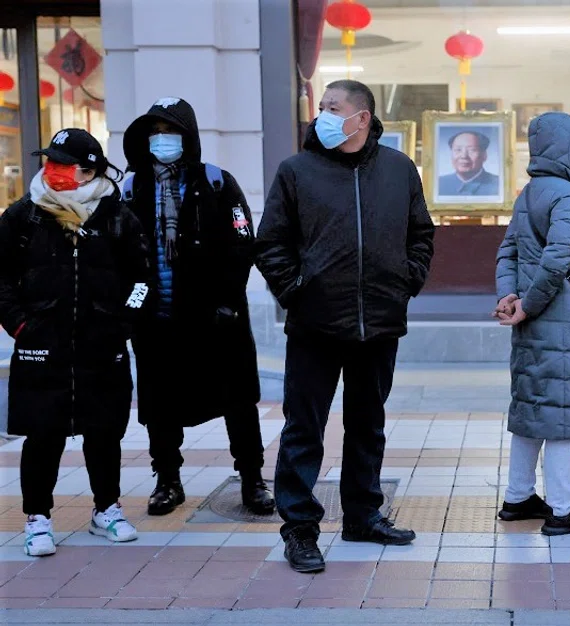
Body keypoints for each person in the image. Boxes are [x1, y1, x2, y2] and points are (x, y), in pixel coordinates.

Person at [256, 80, 435, 573]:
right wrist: (296, 290)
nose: (322, 116)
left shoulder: (398, 169)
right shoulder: (296, 171)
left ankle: (362, 515)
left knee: (367, 424)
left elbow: (421, 232)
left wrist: (407, 281)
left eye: (333, 108)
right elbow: (270, 242)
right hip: (315, 324)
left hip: (379, 321)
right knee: (303, 429)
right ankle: (299, 529)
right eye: (322, 108)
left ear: (362, 117)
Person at [122, 97, 274, 517]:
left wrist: (226, 301)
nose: (161, 140)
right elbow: (122, 255)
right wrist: (132, 310)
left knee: (238, 401)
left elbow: (244, 243)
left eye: (169, 132)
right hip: (157, 320)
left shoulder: (216, 182)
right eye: (154, 133)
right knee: (159, 404)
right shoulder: (132, 188)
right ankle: (167, 480)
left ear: (187, 137)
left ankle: (252, 479)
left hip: (217, 319)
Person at [0, 129, 150, 556]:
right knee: (41, 436)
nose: (53, 171)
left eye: (64, 164)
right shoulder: (24, 215)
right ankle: (37, 518)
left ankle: (107, 509)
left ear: (89, 171)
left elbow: (141, 279)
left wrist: (124, 320)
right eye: (50, 162)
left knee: (104, 433)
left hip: (102, 346)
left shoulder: (118, 216)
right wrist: (18, 324)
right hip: (40, 345)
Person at [494, 112, 570, 535]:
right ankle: (563, 508)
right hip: (563, 321)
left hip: (531, 324)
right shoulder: (569, 195)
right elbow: (558, 257)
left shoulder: (530, 192)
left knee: (531, 409)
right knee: (563, 413)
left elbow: (508, 254)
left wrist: (511, 298)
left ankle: (518, 498)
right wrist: (530, 304)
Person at [437, 131, 500, 196]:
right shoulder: (438, 183)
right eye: (458, 150)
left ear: (484, 155)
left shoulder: (499, 185)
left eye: (472, 150)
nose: (464, 156)